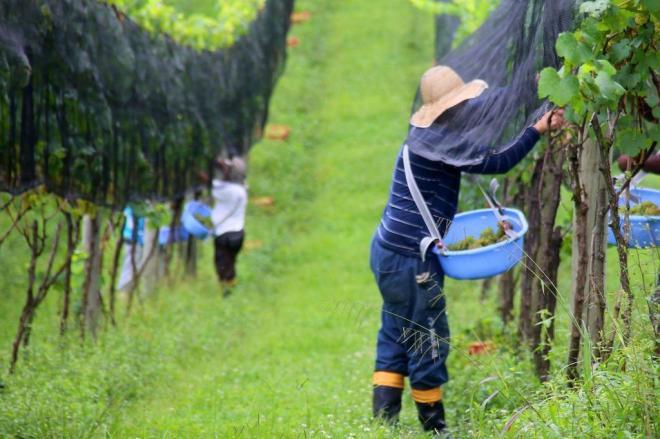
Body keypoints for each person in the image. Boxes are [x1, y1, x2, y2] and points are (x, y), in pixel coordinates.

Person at [370, 66, 564, 434]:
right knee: (427, 336)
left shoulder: (425, 136)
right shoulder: (442, 143)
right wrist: (537, 128)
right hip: (412, 260)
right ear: (452, 111)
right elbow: (499, 162)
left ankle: (384, 425)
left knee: (396, 331)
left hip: (387, 251)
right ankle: (435, 428)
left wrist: (528, 89)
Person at [211, 156, 248, 297]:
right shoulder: (241, 189)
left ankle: (227, 293)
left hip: (224, 234)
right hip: (238, 233)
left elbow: (207, 181)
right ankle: (230, 286)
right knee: (230, 261)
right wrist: (222, 164)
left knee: (221, 263)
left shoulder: (225, 190)